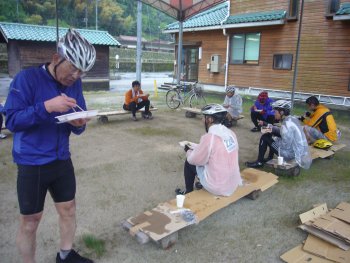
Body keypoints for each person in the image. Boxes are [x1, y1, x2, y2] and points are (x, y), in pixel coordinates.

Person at [4, 29, 95, 263]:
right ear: (56, 59)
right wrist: (47, 107)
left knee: (68, 209)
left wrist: (78, 123)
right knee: (31, 221)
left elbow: (79, 122)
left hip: (61, 159)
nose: (75, 75)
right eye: (73, 67)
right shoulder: (26, 80)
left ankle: (65, 255)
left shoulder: (75, 84)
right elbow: (12, 121)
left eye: (82, 71)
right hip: (32, 162)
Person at [175, 104, 242, 196]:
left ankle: (188, 191)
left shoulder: (209, 138)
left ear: (210, 119)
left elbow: (194, 160)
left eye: (204, 117)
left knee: (188, 162)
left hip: (218, 187)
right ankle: (203, 183)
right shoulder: (230, 134)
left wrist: (188, 151)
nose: (202, 120)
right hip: (232, 182)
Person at [245, 100, 312, 169]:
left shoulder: (287, 126)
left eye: (275, 112)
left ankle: (259, 162)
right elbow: (281, 132)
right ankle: (269, 158)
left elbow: (285, 146)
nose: (274, 114)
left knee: (265, 137)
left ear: (282, 112)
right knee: (271, 134)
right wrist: (266, 125)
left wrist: (274, 139)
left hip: (290, 155)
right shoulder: (291, 119)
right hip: (296, 151)